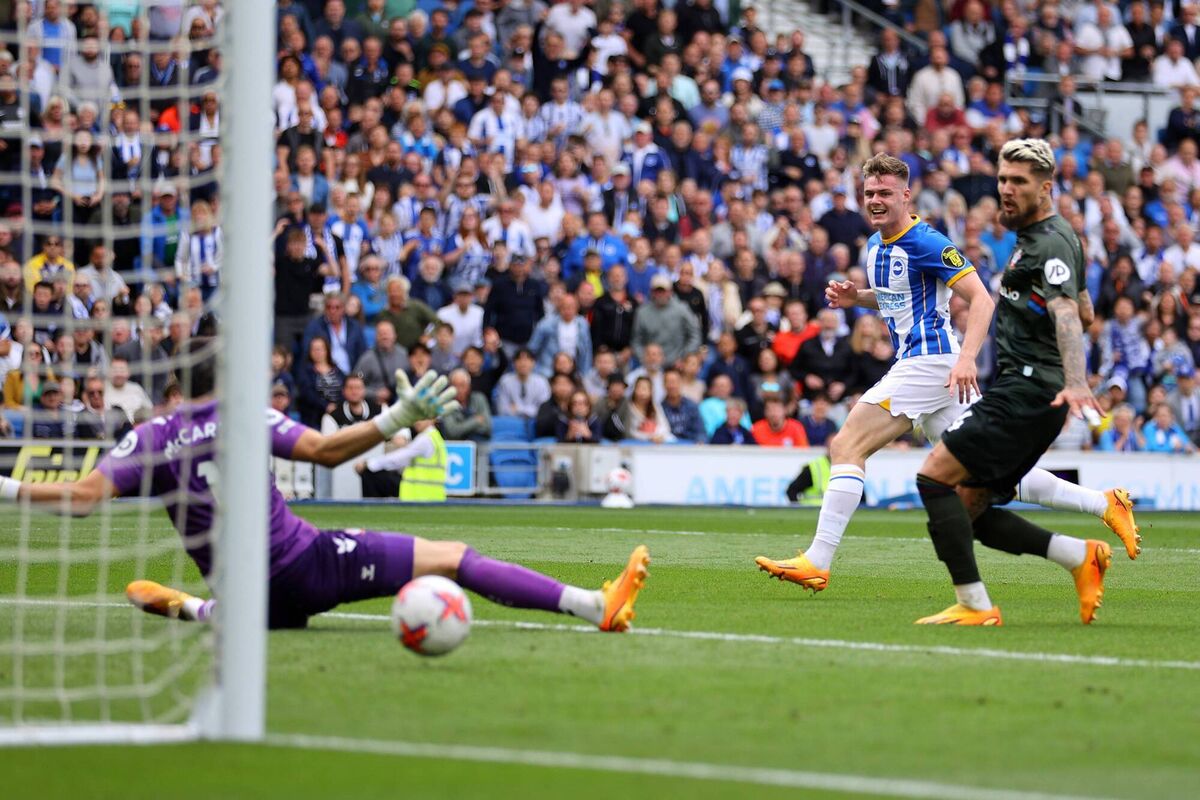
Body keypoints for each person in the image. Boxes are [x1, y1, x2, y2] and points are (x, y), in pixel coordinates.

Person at [0, 340, 649, 633]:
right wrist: (393, 419)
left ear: (172, 389)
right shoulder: (241, 412)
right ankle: (592, 606)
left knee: (241, 609)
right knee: (453, 558)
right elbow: (323, 448)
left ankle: (194, 608)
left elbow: (82, 500)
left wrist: (6, 488)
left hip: (250, 601)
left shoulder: (146, 438)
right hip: (303, 567)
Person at [756, 152, 1141, 597]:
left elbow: (981, 299)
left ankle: (817, 560)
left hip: (932, 363)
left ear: (906, 195)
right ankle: (1104, 503)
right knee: (985, 472)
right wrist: (855, 298)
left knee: (846, 444)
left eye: (885, 193)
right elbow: (896, 298)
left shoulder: (927, 241)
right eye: (869, 193)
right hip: (929, 371)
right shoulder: (874, 246)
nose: (876, 200)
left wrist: (967, 359)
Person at [912, 140, 1134, 627]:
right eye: (1002, 180)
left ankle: (975, 605)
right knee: (969, 507)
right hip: (1028, 390)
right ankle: (1080, 557)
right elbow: (1085, 308)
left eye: (1019, 182)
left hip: (1030, 391)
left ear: (1046, 187)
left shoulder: (1050, 241)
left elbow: (1068, 315)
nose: (1006, 191)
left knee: (933, 476)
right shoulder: (1047, 237)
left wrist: (1076, 380)